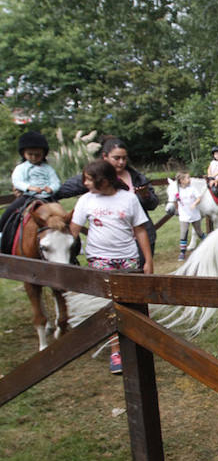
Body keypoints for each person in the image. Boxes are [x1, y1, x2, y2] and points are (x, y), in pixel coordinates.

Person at [69, 160, 153, 374]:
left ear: (104, 181)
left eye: (89, 179)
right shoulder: (85, 201)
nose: (85, 183)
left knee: (132, 303)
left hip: (128, 259)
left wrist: (148, 260)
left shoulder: (128, 199)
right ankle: (117, 350)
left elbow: (140, 230)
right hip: (100, 259)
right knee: (110, 306)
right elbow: (73, 230)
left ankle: (138, 343)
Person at [57, 137, 159, 264]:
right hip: (102, 255)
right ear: (105, 156)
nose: (121, 162)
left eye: (124, 158)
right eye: (116, 158)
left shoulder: (137, 178)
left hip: (135, 245)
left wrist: (146, 196)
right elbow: (63, 190)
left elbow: (152, 205)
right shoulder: (92, 177)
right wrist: (46, 192)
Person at [0, 132, 61, 243]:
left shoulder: (48, 168)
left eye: (37, 155)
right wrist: (29, 188)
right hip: (28, 196)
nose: (33, 157)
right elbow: (17, 181)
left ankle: (73, 240)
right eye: (30, 154)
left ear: (43, 154)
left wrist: (51, 188)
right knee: (9, 211)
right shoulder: (21, 168)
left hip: (46, 197)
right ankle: (1, 233)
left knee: (62, 215)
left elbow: (56, 181)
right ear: (24, 154)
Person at [174, 171, 205, 261]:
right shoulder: (177, 190)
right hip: (184, 215)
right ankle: (182, 252)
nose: (189, 179)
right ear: (181, 180)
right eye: (187, 178)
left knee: (199, 232)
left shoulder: (192, 189)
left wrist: (194, 203)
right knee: (183, 233)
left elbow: (199, 198)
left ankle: (208, 243)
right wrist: (177, 208)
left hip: (194, 214)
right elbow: (175, 200)